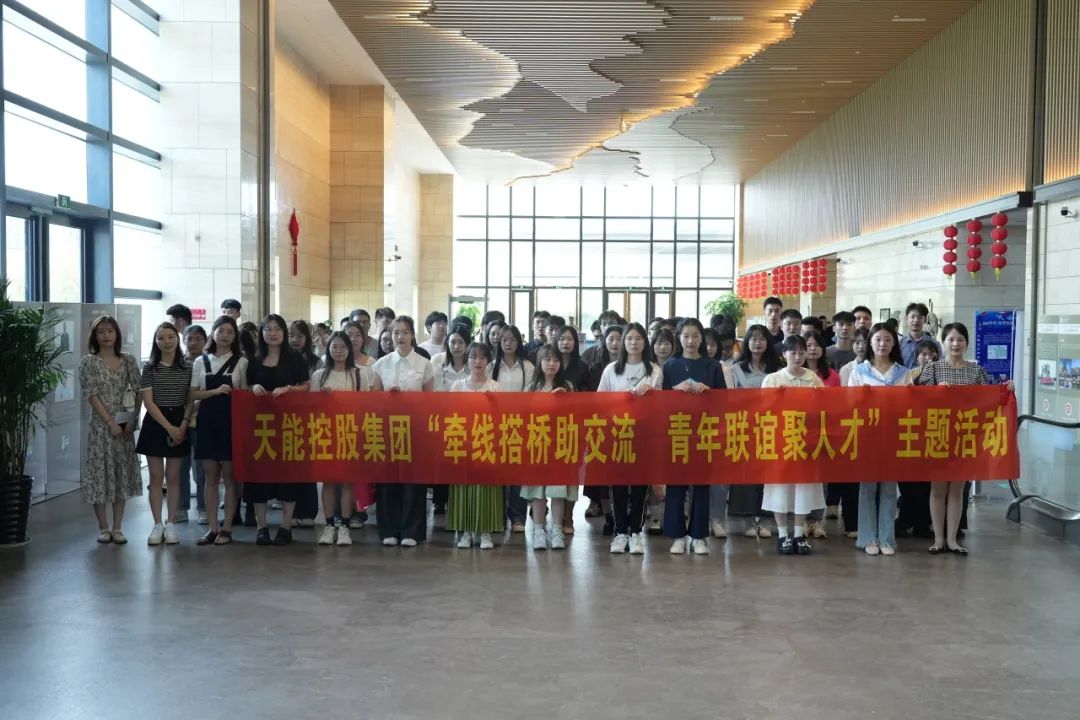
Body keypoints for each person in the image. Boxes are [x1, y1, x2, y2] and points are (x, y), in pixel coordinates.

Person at [918, 322, 1012, 554]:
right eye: (950, 339)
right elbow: (918, 399)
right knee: (938, 490)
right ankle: (938, 539)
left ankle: (952, 540)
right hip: (938, 435)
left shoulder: (976, 371)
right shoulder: (933, 369)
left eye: (960, 339)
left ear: (967, 343)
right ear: (943, 343)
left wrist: (1006, 389)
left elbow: (991, 397)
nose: (955, 344)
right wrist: (934, 391)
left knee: (957, 490)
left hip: (965, 437)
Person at [244, 314, 311, 546]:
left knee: (287, 477)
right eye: (268, 329)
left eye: (277, 329)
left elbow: (306, 386)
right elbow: (247, 385)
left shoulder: (295, 358)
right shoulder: (254, 359)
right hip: (260, 427)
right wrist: (254, 387)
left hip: (288, 426)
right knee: (259, 477)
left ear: (284, 332)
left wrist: (289, 388)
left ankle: (286, 527)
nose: (272, 333)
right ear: (261, 333)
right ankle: (262, 527)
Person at [662, 318, 727, 555]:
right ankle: (677, 535)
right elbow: (660, 402)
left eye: (696, 336)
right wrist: (674, 392)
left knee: (701, 485)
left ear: (702, 338)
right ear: (679, 338)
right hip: (677, 431)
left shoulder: (713, 366)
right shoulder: (670, 365)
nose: (691, 341)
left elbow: (725, 401)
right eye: (686, 336)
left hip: (704, 431)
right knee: (676, 485)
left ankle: (699, 535)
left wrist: (710, 393)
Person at [597, 323, 662, 555]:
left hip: (643, 435)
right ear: (623, 342)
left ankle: (636, 531)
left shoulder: (654, 370)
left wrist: (650, 394)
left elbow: (660, 404)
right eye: (629, 338)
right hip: (617, 434)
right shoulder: (611, 370)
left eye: (638, 338)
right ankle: (620, 531)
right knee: (618, 485)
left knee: (640, 486)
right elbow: (600, 402)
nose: (634, 342)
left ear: (645, 342)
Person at [848, 322, 911, 556]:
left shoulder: (903, 373)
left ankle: (887, 538)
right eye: (877, 339)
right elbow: (848, 404)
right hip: (867, 434)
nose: (882, 344)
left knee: (889, 487)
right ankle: (867, 537)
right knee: (867, 487)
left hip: (893, 434)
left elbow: (910, 405)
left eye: (887, 339)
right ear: (870, 343)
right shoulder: (859, 371)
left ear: (894, 343)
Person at [370, 316, 434, 547]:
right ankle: (388, 529)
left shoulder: (424, 364)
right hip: (387, 430)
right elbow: (373, 399)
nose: (400, 336)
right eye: (396, 332)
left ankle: (411, 531)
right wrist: (388, 397)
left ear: (412, 335)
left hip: (415, 430)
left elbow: (430, 400)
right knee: (387, 481)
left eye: (405, 332)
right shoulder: (381, 364)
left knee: (413, 481)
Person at [80, 316, 142, 545]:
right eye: (101, 332)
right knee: (100, 475)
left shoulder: (128, 360)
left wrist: (132, 419)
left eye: (110, 331)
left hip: (124, 425)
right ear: (94, 336)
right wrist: (109, 422)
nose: (106, 335)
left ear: (117, 334)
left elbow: (139, 391)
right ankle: (103, 527)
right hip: (100, 427)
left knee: (120, 474)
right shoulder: (88, 362)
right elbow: (91, 394)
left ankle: (117, 527)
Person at [761, 335, 825, 555]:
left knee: (804, 487)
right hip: (781, 440)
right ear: (783, 354)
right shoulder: (772, 379)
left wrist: (817, 399)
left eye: (801, 352)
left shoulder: (813, 379)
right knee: (780, 487)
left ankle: (798, 533)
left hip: (806, 441)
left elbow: (825, 408)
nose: (798, 357)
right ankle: (782, 534)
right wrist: (775, 398)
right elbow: (762, 411)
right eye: (793, 352)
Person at [190, 315, 248, 546]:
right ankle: (212, 527)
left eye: (230, 332)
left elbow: (245, 394)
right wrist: (214, 392)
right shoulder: (200, 361)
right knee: (210, 475)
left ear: (235, 337)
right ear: (213, 333)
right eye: (220, 331)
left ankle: (227, 528)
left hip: (232, 421)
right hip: (207, 421)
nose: (224, 335)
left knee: (231, 476)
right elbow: (193, 393)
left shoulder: (241, 362)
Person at [312, 332, 372, 546]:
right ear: (328, 349)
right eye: (334, 347)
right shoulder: (319, 375)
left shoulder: (359, 374)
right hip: (325, 433)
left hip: (350, 432)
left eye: (343, 347)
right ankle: (329, 525)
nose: (338, 351)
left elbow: (366, 405)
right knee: (328, 481)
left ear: (350, 350)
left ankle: (344, 526)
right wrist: (323, 398)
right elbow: (311, 407)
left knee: (347, 482)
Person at [137, 322, 193, 546]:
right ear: (155, 341)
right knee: (155, 477)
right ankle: (157, 524)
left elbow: (190, 399)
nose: (166, 342)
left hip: (180, 419)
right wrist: (170, 428)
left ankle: (171, 523)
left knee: (174, 476)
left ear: (178, 339)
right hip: (156, 421)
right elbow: (148, 403)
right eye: (161, 338)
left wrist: (183, 424)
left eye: (170, 337)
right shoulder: (149, 367)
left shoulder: (188, 366)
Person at [726, 325, 780, 538]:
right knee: (746, 476)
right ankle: (747, 520)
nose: (758, 343)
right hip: (745, 428)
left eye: (762, 339)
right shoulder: (736, 369)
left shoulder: (778, 368)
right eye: (753, 339)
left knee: (768, 476)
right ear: (746, 342)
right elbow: (730, 400)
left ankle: (766, 520)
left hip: (771, 428)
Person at [448, 343, 504, 550]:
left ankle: (485, 531)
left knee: (486, 488)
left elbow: (502, 418)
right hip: (463, 443)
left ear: (488, 361)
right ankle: (465, 531)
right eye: (473, 357)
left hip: (487, 444)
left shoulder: (495, 387)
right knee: (463, 488)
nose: (477, 361)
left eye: (482, 357)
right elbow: (451, 416)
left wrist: (493, 403)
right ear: (467, 360)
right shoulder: (457, 386)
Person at [522, 344, 576, 550]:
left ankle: (557, 530)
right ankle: (538, 531)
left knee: (558, 489)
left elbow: (576, 415)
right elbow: (523, 416)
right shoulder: (531, 387)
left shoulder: (568, 386)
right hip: (537, 444)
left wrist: (564, 401)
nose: (552, 364)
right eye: (547, 359)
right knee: (538, 491)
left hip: (560, 444)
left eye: (556, 360)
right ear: (539, 362)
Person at [489, 324, 534, 532]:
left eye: (512, 340)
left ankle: (517, 517)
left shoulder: (528, 367)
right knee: (497, 472)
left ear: (519, 342)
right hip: (495, 426)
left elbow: (531, 397)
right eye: (504, 340)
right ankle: (497, 515)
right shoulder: (491, 366)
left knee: (517, 473)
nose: (508, 343)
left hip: (520, 426)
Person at [895, 339, 940, 538]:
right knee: (908, 484)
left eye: (931, 354)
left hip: (933, 433)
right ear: (917, 356)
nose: (927, 358)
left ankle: (923, 524)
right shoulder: (908, 375)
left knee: (926, 484)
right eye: (923, 354)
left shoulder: (942, 374)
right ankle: (904, 521)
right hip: (910, 433)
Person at [585, 324, 624, 532]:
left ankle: (623, 514)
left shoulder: (632, 365)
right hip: (600, 425)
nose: (615, 343)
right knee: (602, 472)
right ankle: (608, 515)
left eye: (619, 338)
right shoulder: (596, 368)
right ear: (604, 341)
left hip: (625, 425)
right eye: (611, 339)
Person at [287, 320, 321, 528]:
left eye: (300, 336)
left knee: (307, 466)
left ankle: (308, 511)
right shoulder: (282, 359)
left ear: (308, 338)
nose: (295, 340)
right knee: (290, 466)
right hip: (286, 418)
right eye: (291, 336)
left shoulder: (316, 362)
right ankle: (291, 510)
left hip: (309, 417)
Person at [646, 326, 677, 534]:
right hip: (652, 426)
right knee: (654, 472)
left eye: (667, 343)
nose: (662, 347)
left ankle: (673, 514)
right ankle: (655, 516)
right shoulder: (647, 368)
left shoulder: (678, 365)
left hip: (676, 424)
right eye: (658, 343)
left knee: (673, 473)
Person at [179, 324, 207, 523]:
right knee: (180, 465)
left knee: (201, 467)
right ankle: (181, 508)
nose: (194, 343)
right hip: (178, 421)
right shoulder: (177, 364)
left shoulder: (208, 363)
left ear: (205, 341)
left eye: (198, 339)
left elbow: (204, 392)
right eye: (190, 339)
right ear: (183, 340)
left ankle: (204, 508)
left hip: (200, 420)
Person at [900, 302, 941, 368]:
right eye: (912, 317)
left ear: (925, 320)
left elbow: (939, 367)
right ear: (906, 319)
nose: (916, 320)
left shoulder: (935, 344)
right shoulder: (899, 344)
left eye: (920, 317)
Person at [555, 325, 590, 395]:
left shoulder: (582, 366)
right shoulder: (550, 364)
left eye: (570, 339)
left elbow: (586, 391)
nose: (565, 342)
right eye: (562, 339)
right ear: (556, 341)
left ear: (575, 342)